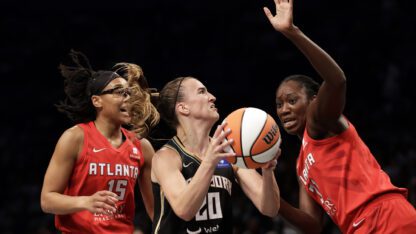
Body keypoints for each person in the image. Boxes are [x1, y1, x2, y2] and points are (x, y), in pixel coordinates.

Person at [263, 0, 416, 233]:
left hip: (385, 217)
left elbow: (337, 80)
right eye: (279, 104)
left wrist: (293, 33)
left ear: (314, 100)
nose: (283, 110)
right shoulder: (301, 163)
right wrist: (275, 203)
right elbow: (313, 225)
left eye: (292, 100)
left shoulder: (318, 121)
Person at [40, 51, 159, 233]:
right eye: (119, 92)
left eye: (129, 93)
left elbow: (156, 213)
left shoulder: (142, 146)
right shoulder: (75, 138)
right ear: (97, 101)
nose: (128, 98)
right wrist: (85, 201)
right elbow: (47, 200)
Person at [150, 76, 281, 233]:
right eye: (202, 92)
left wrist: (267, 171)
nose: (212, 97)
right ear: (183, 108)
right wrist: (210, 161)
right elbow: (184, 210)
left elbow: (270, 209)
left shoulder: (228, 152)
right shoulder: (166, 157)